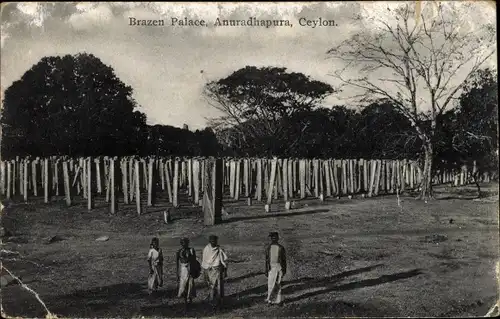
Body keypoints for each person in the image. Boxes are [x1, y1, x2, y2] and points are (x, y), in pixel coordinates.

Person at [201, 235, 228, 309]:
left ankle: (218, 301)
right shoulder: (206, 249)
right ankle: (212, 299)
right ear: (209, 241)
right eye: (212, 241)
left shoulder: (219, 249)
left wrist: (225, 271)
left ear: (217, 241)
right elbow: (204, 261)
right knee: (211, 285)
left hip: (217, 270)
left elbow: (224, 261)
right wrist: (205, 270)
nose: (213, 242)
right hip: (209, 270)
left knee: (218, 285)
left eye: (215, 241)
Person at [265, 232, 287, 306]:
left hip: (278, 267)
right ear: (271, 239)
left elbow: (284, 260)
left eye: (275, 237)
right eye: (272, 238)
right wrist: (266, 269)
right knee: (270, 284)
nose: (273, 239)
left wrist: (284, 270)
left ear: (278, 238)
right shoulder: (268, 248)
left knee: (277, 284)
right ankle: (270, 300)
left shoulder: (281, 248)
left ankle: (278, 301)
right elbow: (266, 260)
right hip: (271, 267)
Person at [176, 237, 197, 306]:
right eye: (183, 242)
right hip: (183, 270)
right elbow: (177, 263)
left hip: (190, 269)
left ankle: (189, 300)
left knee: (190, 284)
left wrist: (194, 270)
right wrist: (177, 272)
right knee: (183, 285)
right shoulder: (179, 251)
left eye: (186, 242)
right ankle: (185, 301)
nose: (184, 244)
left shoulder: (191, 250)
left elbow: (194, 261)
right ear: (181, 243)